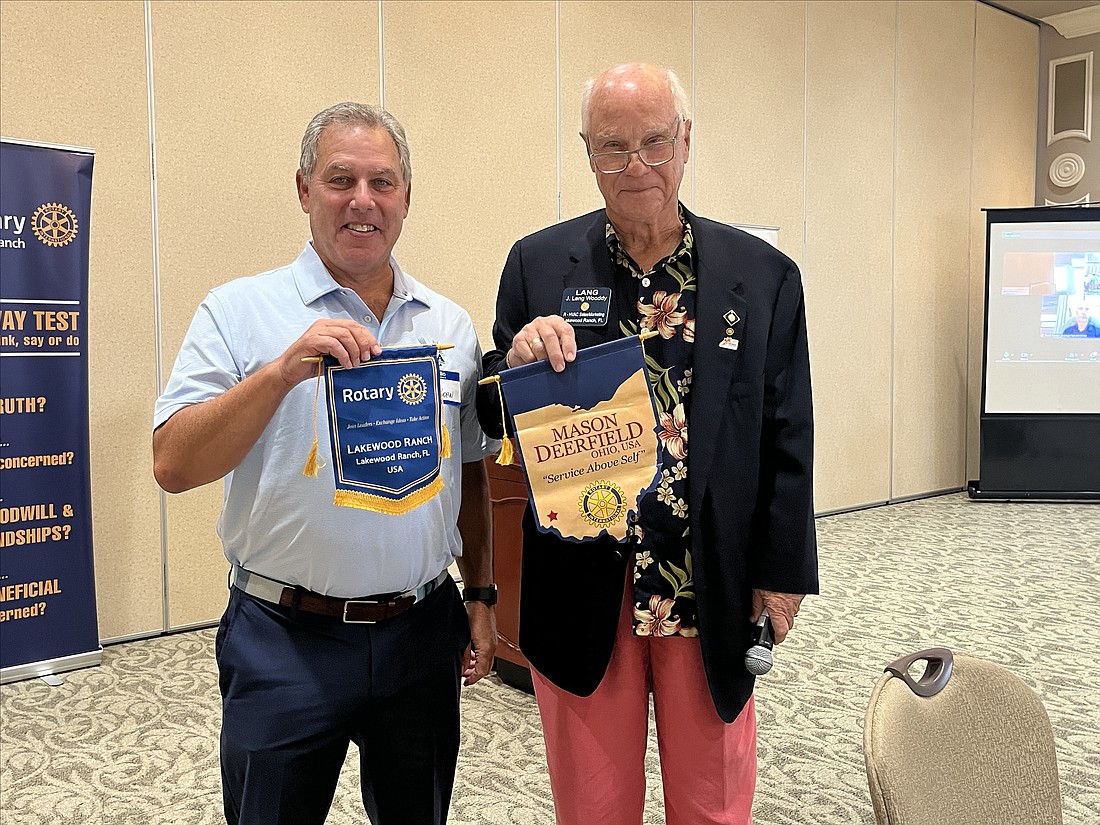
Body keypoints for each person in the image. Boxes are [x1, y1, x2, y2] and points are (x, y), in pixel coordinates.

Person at [478, 63, 818, 825]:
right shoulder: (537, 266)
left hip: (711, 581)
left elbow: (788, 435)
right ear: (587, 153)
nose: (635, 167)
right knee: (593, 805)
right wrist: (516, 363)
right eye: (612, 147)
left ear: (686, 142)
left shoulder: (762, 278)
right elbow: (493, 416)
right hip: (582, 577)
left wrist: (782, 575)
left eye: (654, 143)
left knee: (712, 804)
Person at [153, 102, 499, 825]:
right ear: (304, 189)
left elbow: (467, 474)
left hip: (419, 632)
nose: (362, 200)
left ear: (407, 197)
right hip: (284, 638)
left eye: (383, 181)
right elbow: (173, 461)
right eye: (341, 178)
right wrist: (279, 374)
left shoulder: (449, 325)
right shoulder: (240, 311)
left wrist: (482, 594)